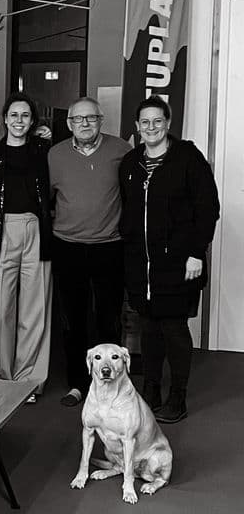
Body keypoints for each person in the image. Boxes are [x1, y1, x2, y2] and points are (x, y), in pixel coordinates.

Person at [119, 96, 219, 424]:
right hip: (140, 265)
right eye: (145, 122)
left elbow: (208, 208)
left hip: (179, 263)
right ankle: (151, 390)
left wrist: (196, 252)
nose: (151, 128)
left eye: (157, 121)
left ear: (168, 124)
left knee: (174, 328)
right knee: (148, 328)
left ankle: (177, 395)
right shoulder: (130, 163)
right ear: (137, 127)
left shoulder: (188, 158)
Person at [48, 96, 131, 407]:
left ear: (101, 120)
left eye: (91, 118)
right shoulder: (54, 155)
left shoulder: (122, 150)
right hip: (67, 247)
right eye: (77, 119)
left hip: (109, 247)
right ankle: (78, 385)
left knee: (108, 319)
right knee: (73, 320)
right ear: (69, 124)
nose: (84, 123)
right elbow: (46, 199)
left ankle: (113, 386)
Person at [0, 92, 53, 402]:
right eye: (14, 115)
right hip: (1, 231)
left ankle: (28, 381)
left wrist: (49, 133)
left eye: (25, 115)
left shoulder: (43, 150)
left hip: (35, 229)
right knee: (0, 309)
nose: (19, 121)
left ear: (33, 121)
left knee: (33, 310)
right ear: (5, 118)